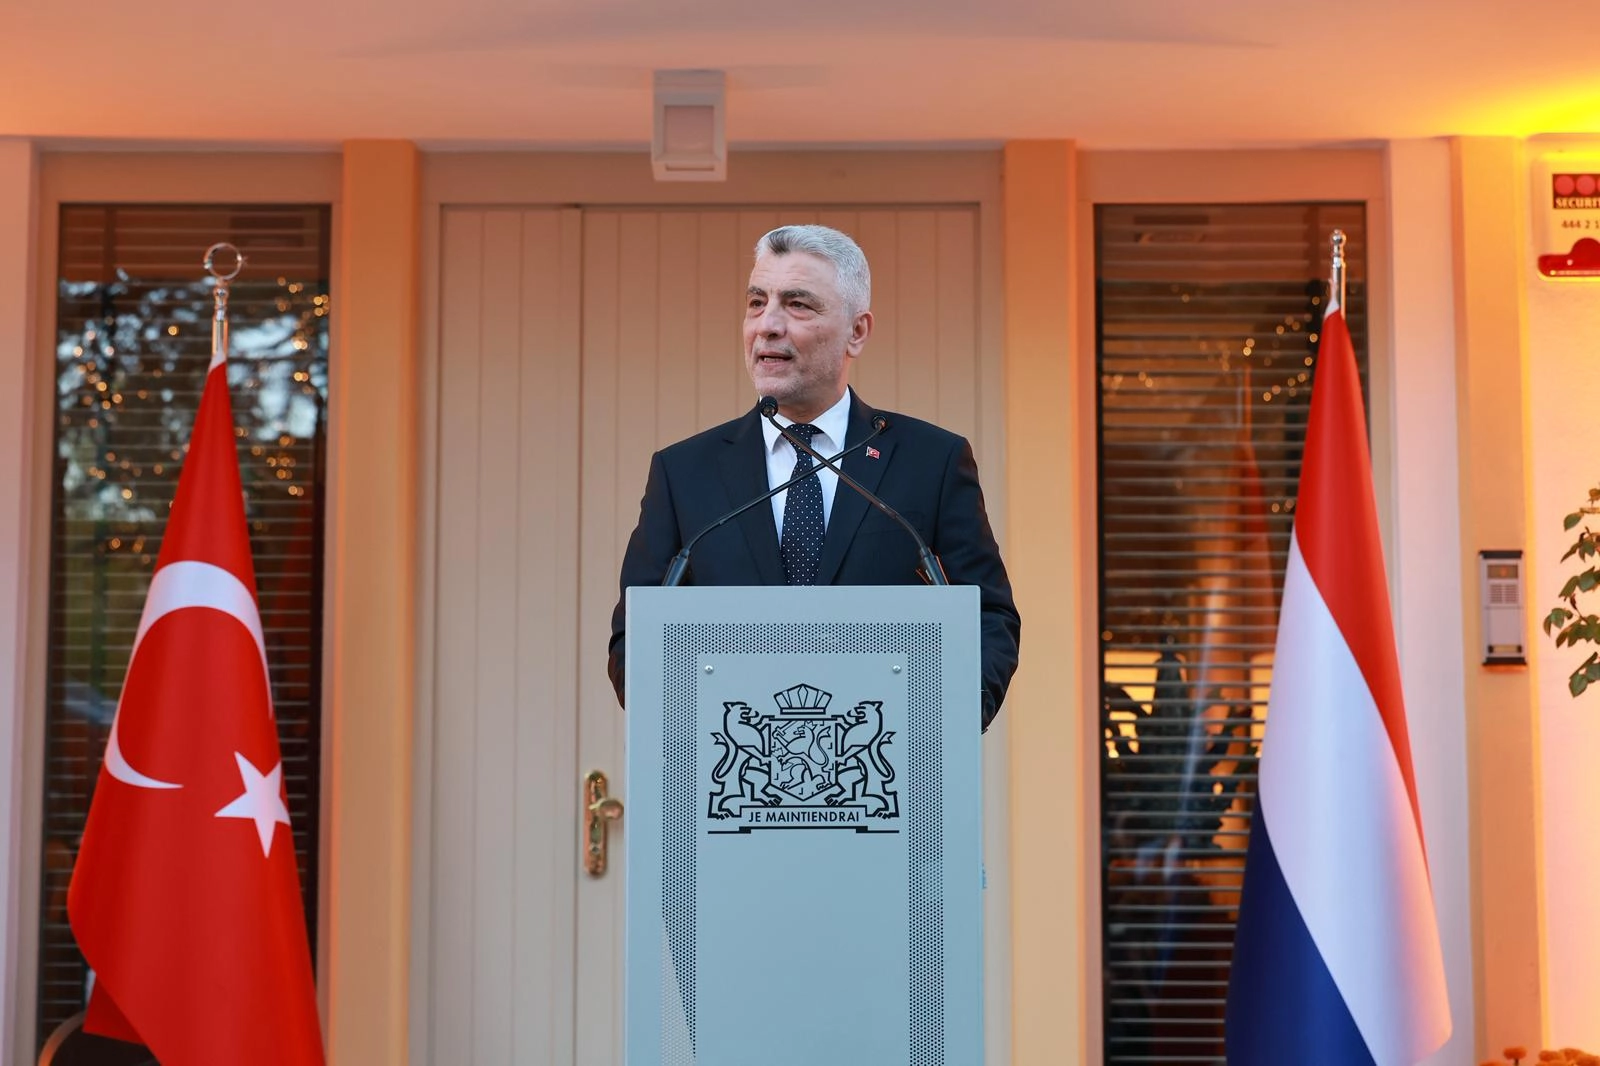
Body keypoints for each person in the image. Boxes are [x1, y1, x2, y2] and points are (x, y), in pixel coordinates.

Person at [608, 224, 1021, 730]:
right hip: (735, 765)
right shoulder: (683, 472)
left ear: (857, 331)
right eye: (756, 302)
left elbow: (988, 617)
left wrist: (945, 727)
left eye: (798, 305)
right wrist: (686, 732)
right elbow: (634, 637)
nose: (767, 325)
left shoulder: (931, 461)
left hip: (882, 760)